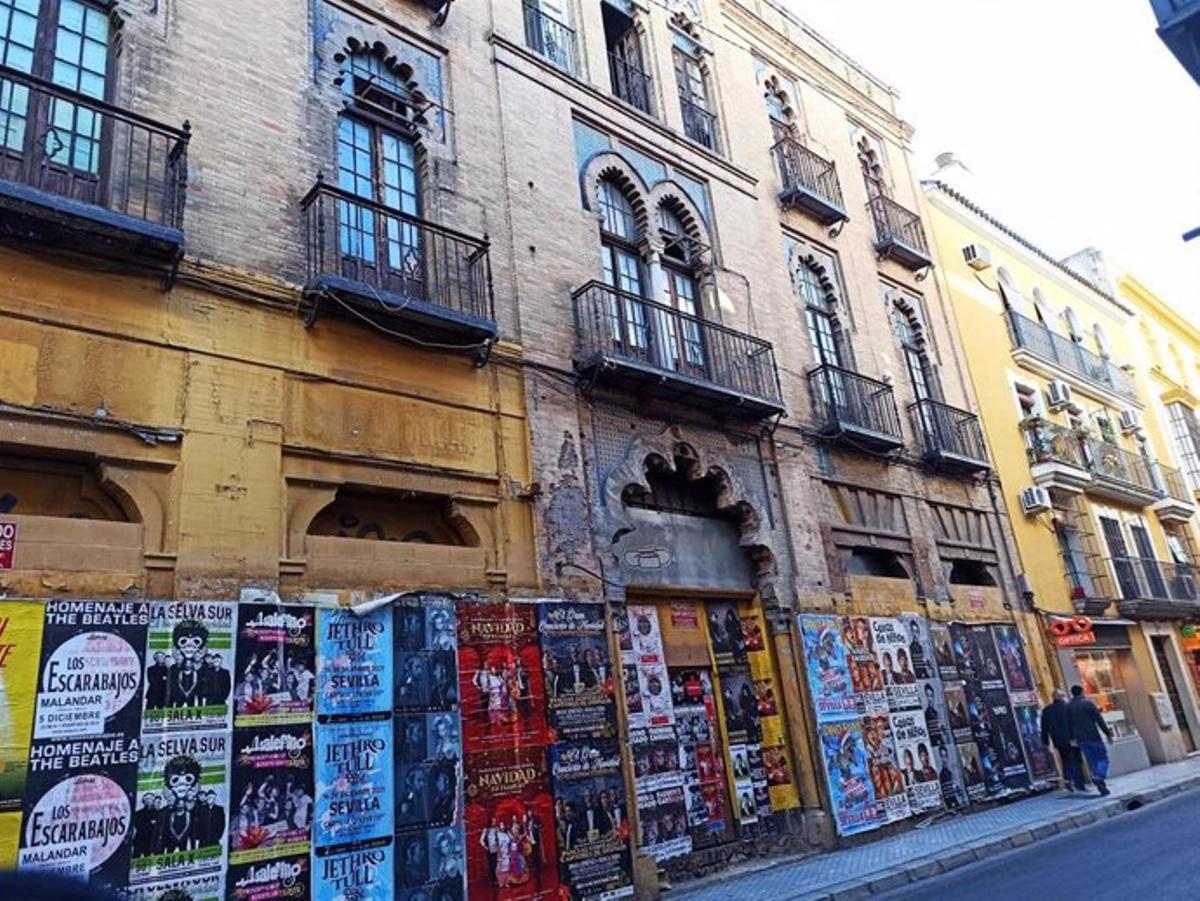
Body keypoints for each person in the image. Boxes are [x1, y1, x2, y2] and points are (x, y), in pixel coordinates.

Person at [1067, 683, 1113, 795]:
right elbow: (1099, 720)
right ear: (1082, 692)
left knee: (1092, 760)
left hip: (1081, 739)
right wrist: (1107, 733)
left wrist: (1072, 738)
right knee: (1103, 759)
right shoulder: (1088, 704)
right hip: (1093, 736)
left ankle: (1100, 784)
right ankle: (1099, 776)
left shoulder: (1068, 706)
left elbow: (1068, 724)